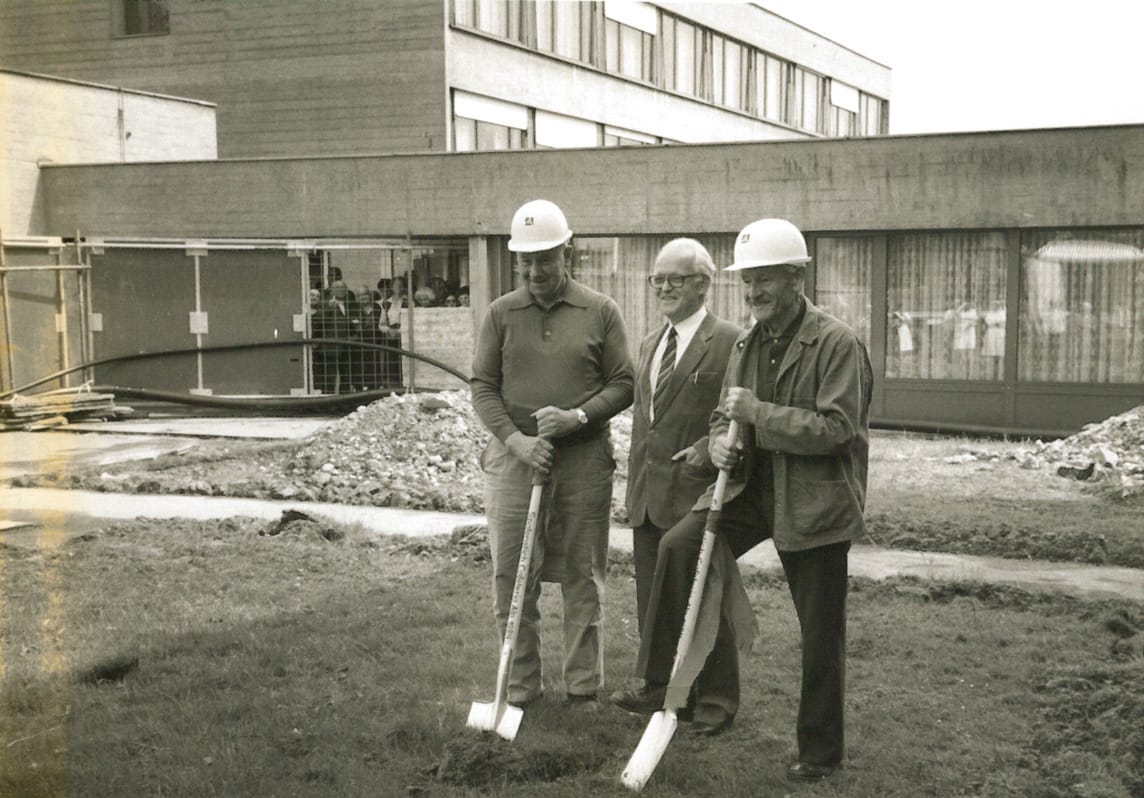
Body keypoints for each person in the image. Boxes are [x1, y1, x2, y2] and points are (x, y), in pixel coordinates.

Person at [619, 218, 872, 780]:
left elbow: (839, 431)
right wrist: (715, 444)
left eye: (765, 281)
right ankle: (664, 685)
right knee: (681, 546)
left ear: (796, 278)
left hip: (816, 502)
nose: (754, 293)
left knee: (819, 631)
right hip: (753, 492)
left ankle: (819, 752)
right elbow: (722, 418)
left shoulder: (837, 342)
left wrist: (759, 416)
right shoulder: (750, 343)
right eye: (748, 282)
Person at [470, 198, 634, 707]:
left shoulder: (601, 310)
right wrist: (516, 441)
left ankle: (583, 689)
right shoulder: (500, 313)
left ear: (568, 250)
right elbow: (482, 386)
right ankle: (519, 689)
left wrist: (577, 418)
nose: (536, 270)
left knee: (583, 574)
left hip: (583, 457)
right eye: (526, 260)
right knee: (512, 575)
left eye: (546, 258)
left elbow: (624, 383)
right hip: (514, 458)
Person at [608, 238, 741, 719]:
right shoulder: (651, 341)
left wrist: (709, 448)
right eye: (657, 279)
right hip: (647, 492)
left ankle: (716, 699)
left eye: (675, 279)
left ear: (703, 284)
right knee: (653, 596)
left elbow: (738, 418)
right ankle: (661, 687)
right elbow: (649, 420)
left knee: (704, 596)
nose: (663, 287)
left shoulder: (730, 341)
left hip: (695, 490)